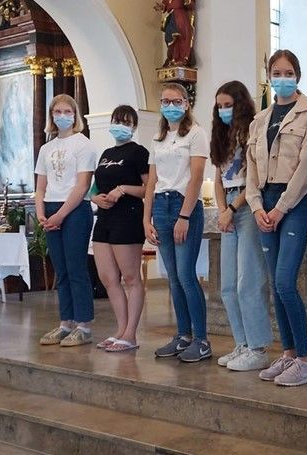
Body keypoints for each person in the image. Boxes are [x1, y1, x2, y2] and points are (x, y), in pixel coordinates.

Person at [246, 49, 307, 386]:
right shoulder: (259, 119)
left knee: (284, 282)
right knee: (275, 288)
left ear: (298, 75)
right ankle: (289, 353)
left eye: (288, 71)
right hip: (264, 202)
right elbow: (251, 167)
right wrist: (257, 206)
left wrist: (281, 207)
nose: (282, 77)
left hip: (294, 203)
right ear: (268, 75)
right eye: (276, 72)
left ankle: (305, 360)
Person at [144, 82, 211, 362]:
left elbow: (196, 177)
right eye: (165, 101)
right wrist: (145, 218)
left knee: (185, 275)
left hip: (184, 204)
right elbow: (151, 182)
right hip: (160, 205)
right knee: (172, 277)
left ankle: (202, 340)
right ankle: (183, 336)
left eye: (176, 101)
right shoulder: (158, 138)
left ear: (186, 103)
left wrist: (184, 215)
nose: (170, 106)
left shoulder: (196, 134)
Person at [210, 81, 273, 371]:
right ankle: (242, 343)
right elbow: (218, 178)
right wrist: (223, 210)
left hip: (248, 205)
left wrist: (232, 209)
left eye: (228, 105)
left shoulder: (254, 129)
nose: (224, 111)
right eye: (219, 106)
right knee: (228, 285)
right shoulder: (221, 135)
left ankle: (258, 347)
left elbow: (255, 177)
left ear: (240, 104)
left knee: (249, 281)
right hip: (229, 208)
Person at [36, 94, 98, 346]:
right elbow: (40, 186)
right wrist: (41, 213)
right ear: (51, 116)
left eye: (66, 111)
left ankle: (83, 326)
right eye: (57, 112)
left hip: (74, 209)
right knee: (60, 271)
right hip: (50, 208)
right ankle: (65, 323)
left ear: (75, 114)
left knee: (76, 269)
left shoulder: (83, 144)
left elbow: (83, 185)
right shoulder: (46, 148)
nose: (62, 116)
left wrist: (59, 215)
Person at [92, 105, 149, 352]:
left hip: (128, 217)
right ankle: (120, 330)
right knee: (108, 278)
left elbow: (148, 188)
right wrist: (96, 198)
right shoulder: (106, 153)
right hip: (104, 218)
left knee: (130, 277)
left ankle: (131, 334)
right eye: (117, 120)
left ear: (134, 126)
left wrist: (123, 188)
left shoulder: (139, 152)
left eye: (126, 121)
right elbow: (94, 188)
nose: (120, 125)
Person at [154, 0, 196, 67]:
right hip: (171, 17)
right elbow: (165, 4)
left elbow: (192, 5)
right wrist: (161, 6)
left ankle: (181, 59)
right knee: (169, 36)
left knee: (181, 37)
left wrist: (188, 2)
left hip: (180, 16)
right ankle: (173, 58)